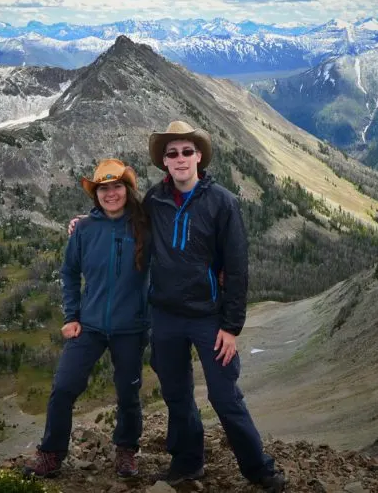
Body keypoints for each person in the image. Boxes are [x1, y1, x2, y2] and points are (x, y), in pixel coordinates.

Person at [68, 121, 287, 491]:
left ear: (199, 157)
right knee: (177, 394)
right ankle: (188, 462)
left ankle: (259, 469)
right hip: (166, 316)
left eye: (187, 151)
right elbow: (120, 217)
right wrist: (83, 222)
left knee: (224, 396)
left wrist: (231, 327)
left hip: (208, 317)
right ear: (164, 162)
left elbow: (237, 267)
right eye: (173, 153)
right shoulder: (154, 200)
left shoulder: (223, 203)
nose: (181, 158)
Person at [24, 158, 150, 480]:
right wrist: (71, 316)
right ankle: (51, 455)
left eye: (117, 186)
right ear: (96, 194)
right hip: (90, 325)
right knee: (64, 387)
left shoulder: (145, 225)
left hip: (130, 328)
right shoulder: (84, 229)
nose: (111, 194)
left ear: (128, 189)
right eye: (103, 188)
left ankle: (126, 453)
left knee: (128, 394)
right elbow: (69, 272)